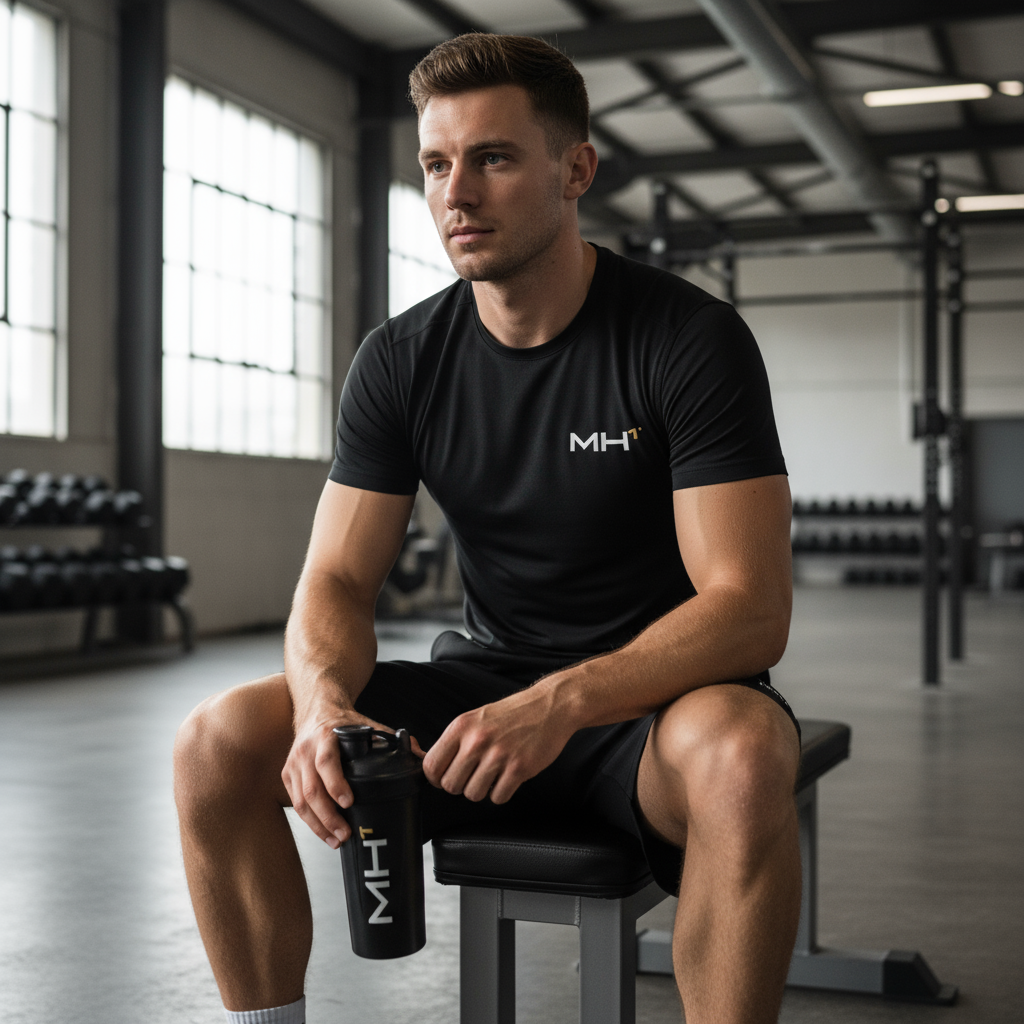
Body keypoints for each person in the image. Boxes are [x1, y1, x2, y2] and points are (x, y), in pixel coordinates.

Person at [173, 32, 801, 1024]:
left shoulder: (686, 339)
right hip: (474, 698)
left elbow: (749, 609)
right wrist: (320, 703)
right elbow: (334, 580)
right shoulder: (401, 359)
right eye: (434, 164)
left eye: (493, 158)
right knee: (217, 744)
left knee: (744, 752)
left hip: (646, 708)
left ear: (575, 170)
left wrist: (561, 702)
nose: (455, 193)